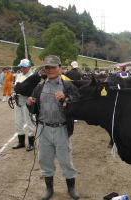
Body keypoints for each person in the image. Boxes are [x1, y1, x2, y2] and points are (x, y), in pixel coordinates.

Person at [27, 55, 80, 200]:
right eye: (47, 67)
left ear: (60, 68)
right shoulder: (39, 87)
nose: (50, 70)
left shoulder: (68, 86)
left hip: (62, 129)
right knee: (44, 160)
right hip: (43, 129)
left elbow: (78, 102)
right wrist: (30, 103)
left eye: (53, 67)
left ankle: (71, 189)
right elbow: (33, 106)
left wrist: (66, 98)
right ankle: (49, 189)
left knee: (66, 161)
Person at [12, 59, 36, 151]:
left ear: (29, 66)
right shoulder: (19, 75)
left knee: (30, 121)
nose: (22, 68)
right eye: (21, 66)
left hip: (27, 100)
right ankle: (21, 142)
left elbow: (34, 90)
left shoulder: (33, 76)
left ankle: (31, 143)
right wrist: (13, 94)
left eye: (24, 66)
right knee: (18, 121)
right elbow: (16, 87)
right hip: (18, 101)